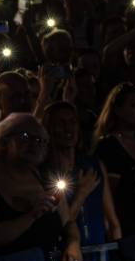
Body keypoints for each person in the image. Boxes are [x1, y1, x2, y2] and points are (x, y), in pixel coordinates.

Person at [0, 113, 79, 261]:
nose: (34, 144)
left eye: (40, 140)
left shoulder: (46, 180)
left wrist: (73, 244)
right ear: (4, 140)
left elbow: (68, 223)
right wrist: (32, 215)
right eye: (25, 136)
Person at [40, 100, 118, 246]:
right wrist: (81, 194)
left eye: (72, 122)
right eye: (61, 123)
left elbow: (112, 221)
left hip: (99, 256)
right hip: (67, 256)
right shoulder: (46, 173)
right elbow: (59, 226)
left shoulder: (93, 165)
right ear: (49, 128)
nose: (68, 128)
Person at [92, 82, 135, 239]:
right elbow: (107, 195)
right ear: (117, 109)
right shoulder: (109, 146)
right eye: (134, 105)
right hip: (123, 230)